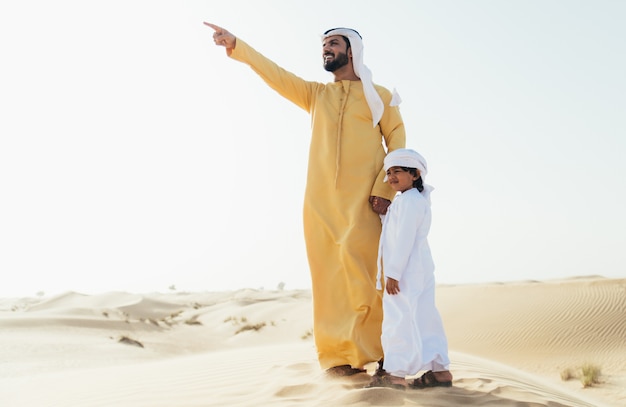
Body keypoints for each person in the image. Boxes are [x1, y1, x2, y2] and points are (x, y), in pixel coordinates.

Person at [204, 23, 406, 376]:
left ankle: (386, 353)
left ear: (352, 51)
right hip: (321, 204)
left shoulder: (380, 97)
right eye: (324, 44)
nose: (326, 49)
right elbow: (275, 74)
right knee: (329, 281)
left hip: (366, 204)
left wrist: (384, 190)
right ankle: (336, 358)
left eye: (334, 44)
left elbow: (398, 143)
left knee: (369, 278)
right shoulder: (316, 95)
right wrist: (239, 45)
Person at [366, 148, 452, 389]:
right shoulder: (409, 200)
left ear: (414, 174)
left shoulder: (410, 201)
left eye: (398, 171)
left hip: (405, 271)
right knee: (425, 317)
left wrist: (393, 273)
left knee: (398, 319)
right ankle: (440, 372)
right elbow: (396, 230)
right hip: (417, 269)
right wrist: (385, 214)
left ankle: (395, 375)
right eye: (389, 172)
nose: (391, 176)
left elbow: (403, 238)